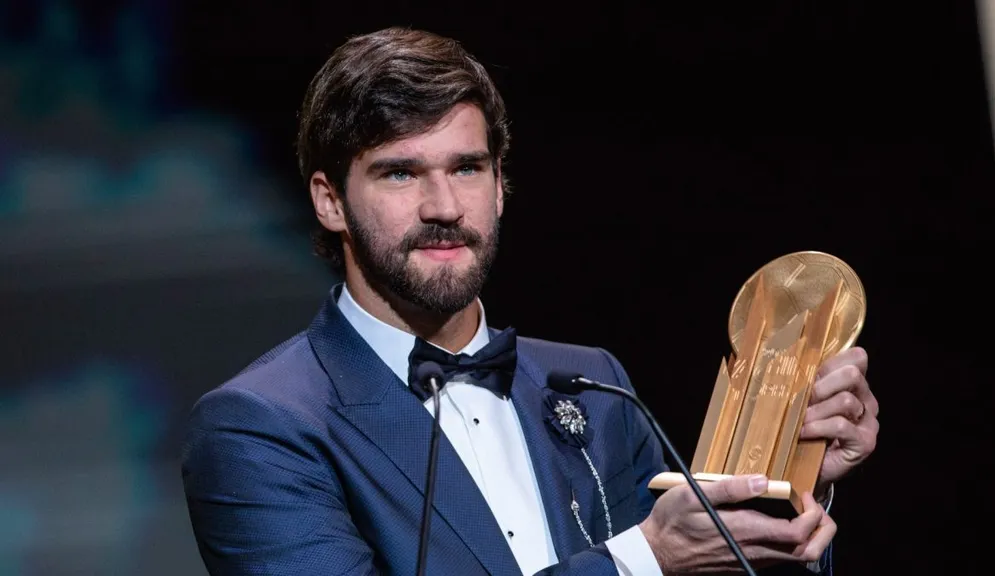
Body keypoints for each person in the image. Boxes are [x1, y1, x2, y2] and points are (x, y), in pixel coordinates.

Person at [180, 26, 879, 576]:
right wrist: (644, 559)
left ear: (501, 183)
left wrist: (794, 477)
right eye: (400, 173)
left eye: (467, 167)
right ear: (330, 201)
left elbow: (700, 567)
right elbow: (655, 560)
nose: (444, 205)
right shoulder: (259, 426)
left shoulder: (592, 385)